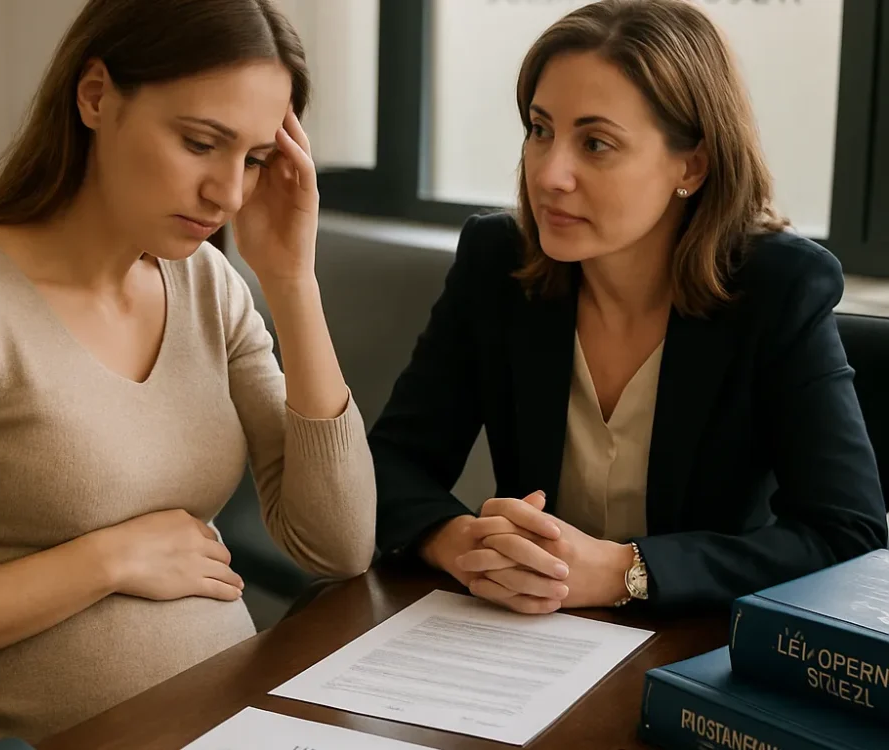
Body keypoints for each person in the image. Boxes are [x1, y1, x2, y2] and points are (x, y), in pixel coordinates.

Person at [0, 0, 376, 747]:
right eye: (200, 143)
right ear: (94, 96)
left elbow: (338, 545)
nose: (229, 194)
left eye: (252, 159)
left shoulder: (209, 286)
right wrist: (106, 560)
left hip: (231, 726)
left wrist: (292, 283)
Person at [370, 0, 887, 617]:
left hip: (697, 641)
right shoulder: (497, 263)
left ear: (691, 165)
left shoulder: (779, 289)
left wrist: (627, 570)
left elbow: (847, 532)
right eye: (540, 130)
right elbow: (391, 462)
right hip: (523, 635)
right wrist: (458, 541)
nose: (550, 174)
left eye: (596, 143)